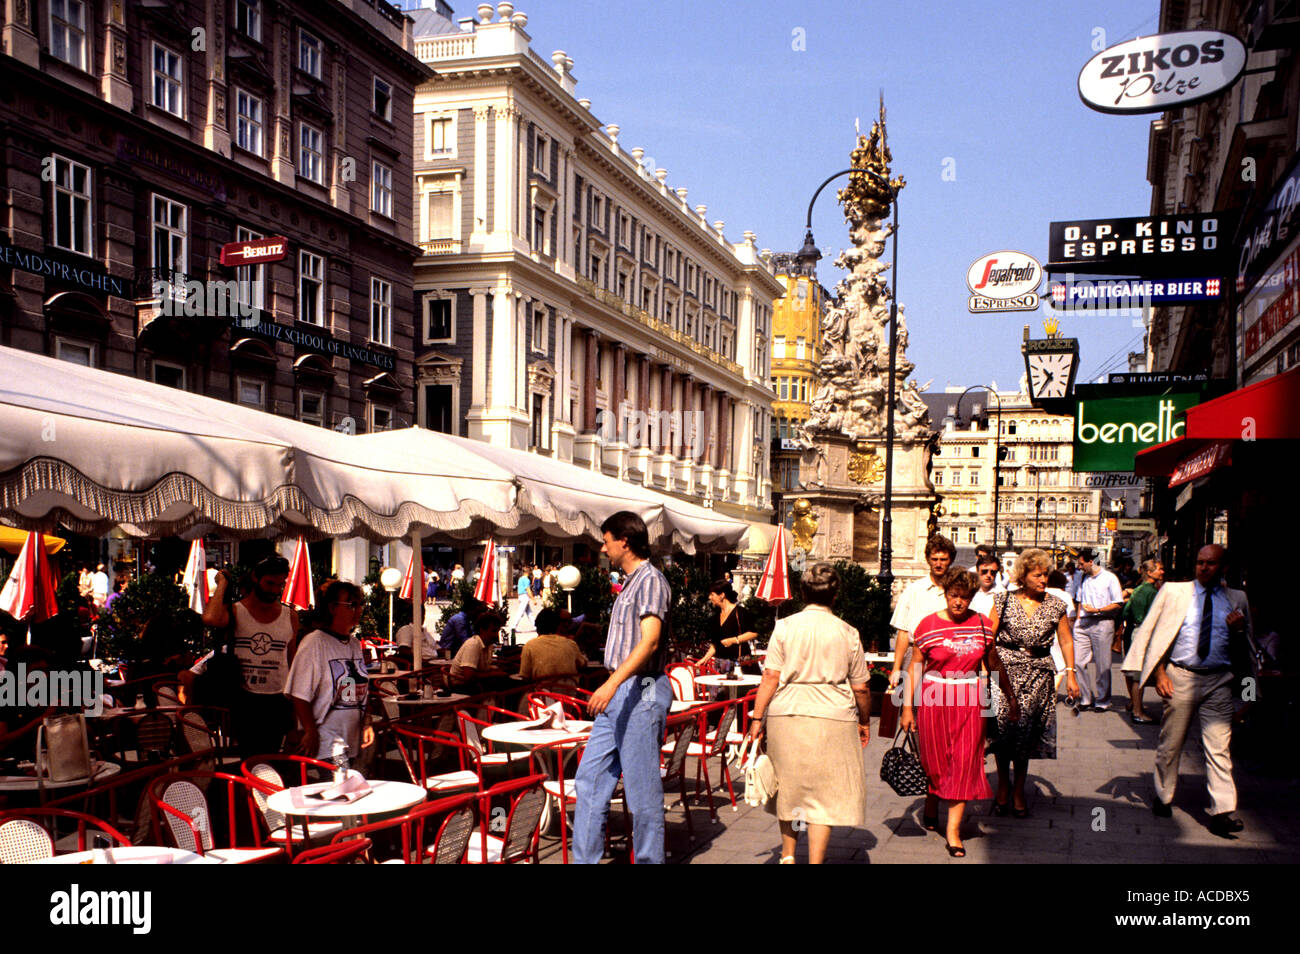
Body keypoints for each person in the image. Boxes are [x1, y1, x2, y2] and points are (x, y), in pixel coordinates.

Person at [1122, 544, 1251, 837]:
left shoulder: (1236, 599)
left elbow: (1248, 652)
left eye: (1211, 563)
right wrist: (1159, 673)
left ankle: (1222, 811)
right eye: (1199, 562)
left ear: (1224, 568)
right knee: (1171, 743)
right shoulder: (1174, 592)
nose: (1204, 568)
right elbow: (1155, 634)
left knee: (1219, 748)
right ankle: (1164, 795)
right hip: (1179, 677)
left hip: (1218, 680)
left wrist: (1239, 632)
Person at [748, 563, 871, 864]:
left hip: (786, 714)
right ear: (836, 594)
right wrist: (865, 720)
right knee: (824, 796)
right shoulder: (847, 632)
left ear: (802, 592)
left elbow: (770, 677)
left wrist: (756, 718)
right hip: (833, 717)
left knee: (787, 788)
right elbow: (862, 688)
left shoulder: (785, 627)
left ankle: (788, 856)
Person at [572, 511, 674, 865]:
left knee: (641, 789)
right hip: (620, 688)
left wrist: (610, 683)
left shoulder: (649, 580)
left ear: (624, 541)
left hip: (642, 685)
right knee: (590, 779)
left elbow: (649, 642)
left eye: (606, 540)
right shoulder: (631, 582)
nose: (603, 547)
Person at [902, 568, 1018, 857]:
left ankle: (953, 831)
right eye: (954, 596)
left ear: (972, 597)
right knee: (935, 760)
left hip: (970, 700)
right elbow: (915, 667)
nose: (958, 603)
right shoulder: (927, 625)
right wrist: (906, 708)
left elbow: (993, 664)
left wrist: (1010, 697)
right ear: (945, 594)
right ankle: (932, 798)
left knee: (966, 762)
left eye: (964, 597)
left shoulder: (981, 624)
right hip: (933, 699)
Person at [987, 548, 1079, 816]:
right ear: (1023, 576)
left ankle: (1019, 789)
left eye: (1045, 575)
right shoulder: (1002, 600)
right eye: (1037, 575)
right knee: (1002, 729)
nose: (1043, 580)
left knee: (1025, 733)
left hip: (1038, 674)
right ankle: (1003, 782)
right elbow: (988, 639)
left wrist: (1071, 672)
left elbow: (1065, 640)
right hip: (1004, 673)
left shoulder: (1056, 604)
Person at [191, 555, 299, 757]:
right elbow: (211, 618)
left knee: (272, 758)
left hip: (278, 699)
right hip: (244, 698)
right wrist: (223, 583)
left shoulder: (290, 616)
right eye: (269, 583)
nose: (274, 590)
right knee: (249, 758)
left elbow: (291, 662)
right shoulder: (236, 611)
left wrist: (294, 710)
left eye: (280, 584)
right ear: (255, 578)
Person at [285, 581, 371, 761]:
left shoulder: (354, 644)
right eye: (351, 605)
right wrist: (310, 731)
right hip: (327, 742)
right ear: (332, 608)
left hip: (352, 739)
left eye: (360, 604)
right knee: (339, 787)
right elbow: (299, 693)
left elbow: (353, 689)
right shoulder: (314, 643)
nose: (358, 610)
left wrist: (365, 721)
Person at [889, 535, 955, 688]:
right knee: (911, 706)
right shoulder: (913, 590)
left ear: (950, 560)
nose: (938, 564)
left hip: (947, 657)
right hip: (915, 656)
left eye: (943, 560)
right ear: (928, 559)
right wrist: (896, 668)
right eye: (934, 559)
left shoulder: (956, 592)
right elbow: (903, 632)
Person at [1073, 547, 1124, 711]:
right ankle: (1085, 698)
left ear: (1091, 562)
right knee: (1079, 662)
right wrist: (1077, 620)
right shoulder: (1082, 578)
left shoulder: (1110, 578)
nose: (1079, 567)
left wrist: (1099, 610)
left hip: (1102, 622)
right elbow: (1079, 600)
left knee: (1103, 664)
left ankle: (1103, 700)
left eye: (1081, 564)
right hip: (1083, 623)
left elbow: (1118, 603)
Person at [1119, 559, 1164, 724]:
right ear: (1150, 573)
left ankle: (1134, 703)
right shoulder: (1152, 592)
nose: (1162, 572)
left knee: (1132, 670)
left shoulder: (1137, 589)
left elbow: (1125, 612)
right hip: (1145, 632)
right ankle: (1138, 711)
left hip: (1133, 630)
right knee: (1139, 674)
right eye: (1160, 569)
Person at [698, 579, 759, 673]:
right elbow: (715, 644)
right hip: (721, 665)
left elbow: (753, 633)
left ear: (722, 595)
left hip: (739, 665)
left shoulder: (740, 612)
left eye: (712, 594)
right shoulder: (715, 617)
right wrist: (704, 659)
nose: (709, 597)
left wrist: (734, 640)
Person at [519, 608, 587, 684]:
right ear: (557, 626)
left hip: (541, 694)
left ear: (537, 628)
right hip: (569, 693)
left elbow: (525, 676)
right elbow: (583, 665)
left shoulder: (529, 646)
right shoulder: (571, 644)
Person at [449, 612, 506, 689]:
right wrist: (493, 674)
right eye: (494, 631)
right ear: (482, 630)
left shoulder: (489, 645)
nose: (496, 635)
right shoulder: (473, 644)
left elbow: (484, 667)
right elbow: (468, 677)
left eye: (498, 631)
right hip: (461, 687)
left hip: (476, 684)